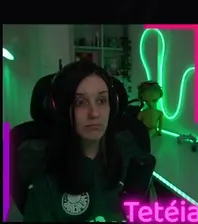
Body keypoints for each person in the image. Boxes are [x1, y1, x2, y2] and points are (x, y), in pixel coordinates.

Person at [18, 61, 152, 222]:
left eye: (101, 100)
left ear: (113, 106)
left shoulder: (132, 157)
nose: (94, 113)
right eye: (80, 102)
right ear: (60, 109)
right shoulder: (44, 181)